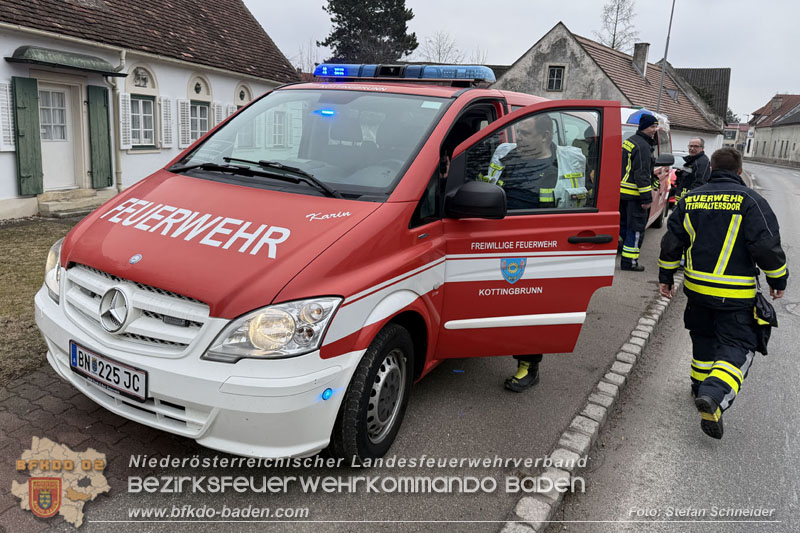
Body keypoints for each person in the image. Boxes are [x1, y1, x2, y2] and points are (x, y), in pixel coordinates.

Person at [658, 147, 788, 439]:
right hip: (735, 294)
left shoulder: (690, 199)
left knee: (703, 337)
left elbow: (671, 242)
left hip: (696, 291)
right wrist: (778, 279)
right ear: (739, 171)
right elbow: (766, 245)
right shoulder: (751, 201)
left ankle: (698, 388)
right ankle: (714, 395)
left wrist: (665, 276)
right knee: (739, 344)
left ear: (712, 169)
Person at [619, 113, 657, 271]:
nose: (655, 130)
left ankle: (623, 252)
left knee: (624, 226)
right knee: (636, 229)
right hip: (635, 196)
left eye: (656, 126)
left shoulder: (629, 142)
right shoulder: (642, 146)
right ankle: (630, 262)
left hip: (622, 193)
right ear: (643, 127)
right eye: (652, 126)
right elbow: (641, 174)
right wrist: (647, 199)